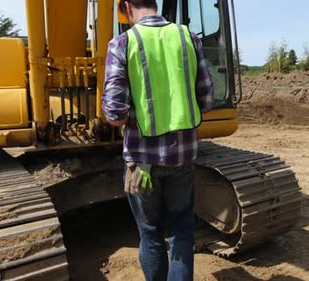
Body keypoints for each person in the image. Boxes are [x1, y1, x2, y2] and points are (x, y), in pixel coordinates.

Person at [101, 0, 213, 280]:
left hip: (142, 164)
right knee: (181, 230)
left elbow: (114, 113)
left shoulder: (122, 43)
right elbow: (207, 99)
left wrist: (139, 115)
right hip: (183, 157)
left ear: (127, 6)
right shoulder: (189, 37)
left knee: (149, 232)